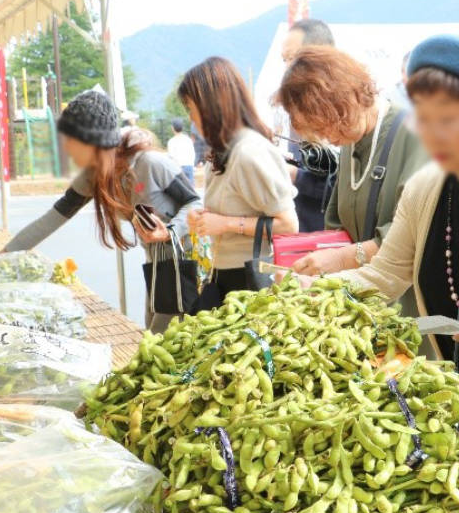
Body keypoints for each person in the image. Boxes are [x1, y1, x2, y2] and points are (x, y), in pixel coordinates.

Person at [333, 35, 459, 427]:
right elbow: (383, 275)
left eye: (449, 119)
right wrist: (307, 292)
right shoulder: (426, 188)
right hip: (455, 406)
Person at [3, 90, 202, 333]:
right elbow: (49, 220)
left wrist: (169, 230)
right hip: (156, 264)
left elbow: (195, 203)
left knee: (160, 340)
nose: (67, 149)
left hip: (184, 265)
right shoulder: (92, 176)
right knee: (153, 337)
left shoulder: (150, 163)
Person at [276, 46, 428, 277]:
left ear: (348, 97)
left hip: (405, 301)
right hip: (361, 295)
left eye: (328, 123)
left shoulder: (416, 135)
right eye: (317, 130)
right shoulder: (350, 142)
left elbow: (413, 236)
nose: (328, 137)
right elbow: (336, 221)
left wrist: (342, 258)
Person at [181, 57, 298, 301]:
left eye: (192, 110)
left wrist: (225, 224)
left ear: (210, 107)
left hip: (250, 281)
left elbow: (288, 225)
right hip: (225, 274)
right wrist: (204, 218)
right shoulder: (225, 148)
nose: (192, 119)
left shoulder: (249, 151)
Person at [278, 18, 337, 232]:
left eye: (293, 58)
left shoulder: (345, 112)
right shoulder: (298, 108)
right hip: (304, 237)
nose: (287, 68)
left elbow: (348, 190)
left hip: (337, 245)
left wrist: (294, 175)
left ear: (322, 54)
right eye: (284, 59)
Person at [166, 118, 196, 185]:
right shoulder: (188, 140)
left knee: (181, 190)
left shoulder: (171, 141)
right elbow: (192, 154)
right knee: (191, 190)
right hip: (189, 166)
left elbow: (171, 157)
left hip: (177, 167)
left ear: (172, 128)